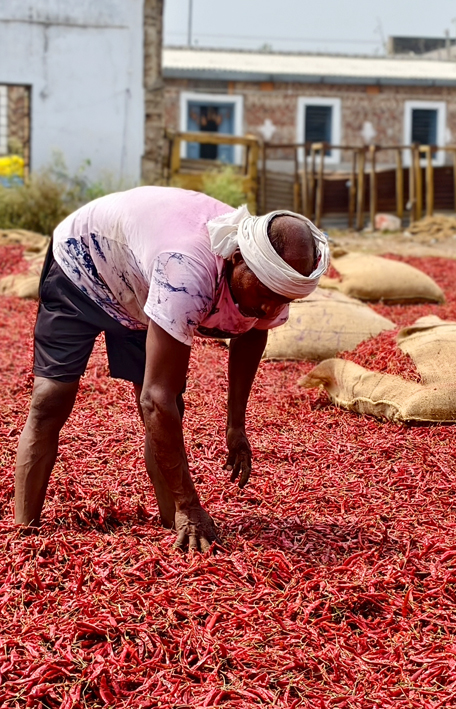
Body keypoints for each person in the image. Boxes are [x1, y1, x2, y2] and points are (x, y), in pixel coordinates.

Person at [14, 187, 329, 551]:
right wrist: (191, 506)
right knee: (52, 398)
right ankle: (25, 533)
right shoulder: (185, 272)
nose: (271, 309)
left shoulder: (273, 280)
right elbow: (155, 399)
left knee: (169, 412)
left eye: (283, 301)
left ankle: (172, 529)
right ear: (238, 258)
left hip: (143, 284)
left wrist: (236, 425)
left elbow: (251, 335)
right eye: (265, 295)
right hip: (86, 265)